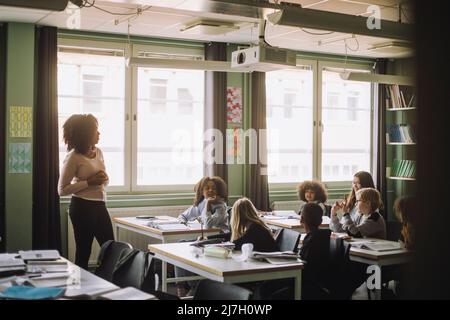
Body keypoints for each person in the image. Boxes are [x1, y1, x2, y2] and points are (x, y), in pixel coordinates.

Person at [58, 114, 113, 270]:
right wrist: (89, 182)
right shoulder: (73, 157)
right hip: (81, 207)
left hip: (100, 205)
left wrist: (105, 179)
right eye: (96, 130)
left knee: (110, 248)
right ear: (86, 134)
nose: (99, 133)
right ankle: (78, 290)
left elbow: (104, 182)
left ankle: (106, 287)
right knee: (83, 252)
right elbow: (61, 190)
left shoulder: (99, 152)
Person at [254, 203, 331, 300]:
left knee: (266, 288)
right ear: (320, 221)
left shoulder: (311, 240)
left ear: (301, 219)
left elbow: (304, 267)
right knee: (268, 286)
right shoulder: (323, 237)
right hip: (315, 282)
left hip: (305, 283)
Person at [175, 176, 229, 296]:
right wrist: (185, 223)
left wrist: (209, 204)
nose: (210, 191)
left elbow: (208, 225)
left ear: (218, 191)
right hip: (203, 238)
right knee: (179, 244)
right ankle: (181, 286)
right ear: (202, 190)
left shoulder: (221, 206)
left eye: (213, 189)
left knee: (194, 247)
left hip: (219, 240)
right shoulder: (201, 203)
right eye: (207, 188)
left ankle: (196, 286)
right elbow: (182, 216)